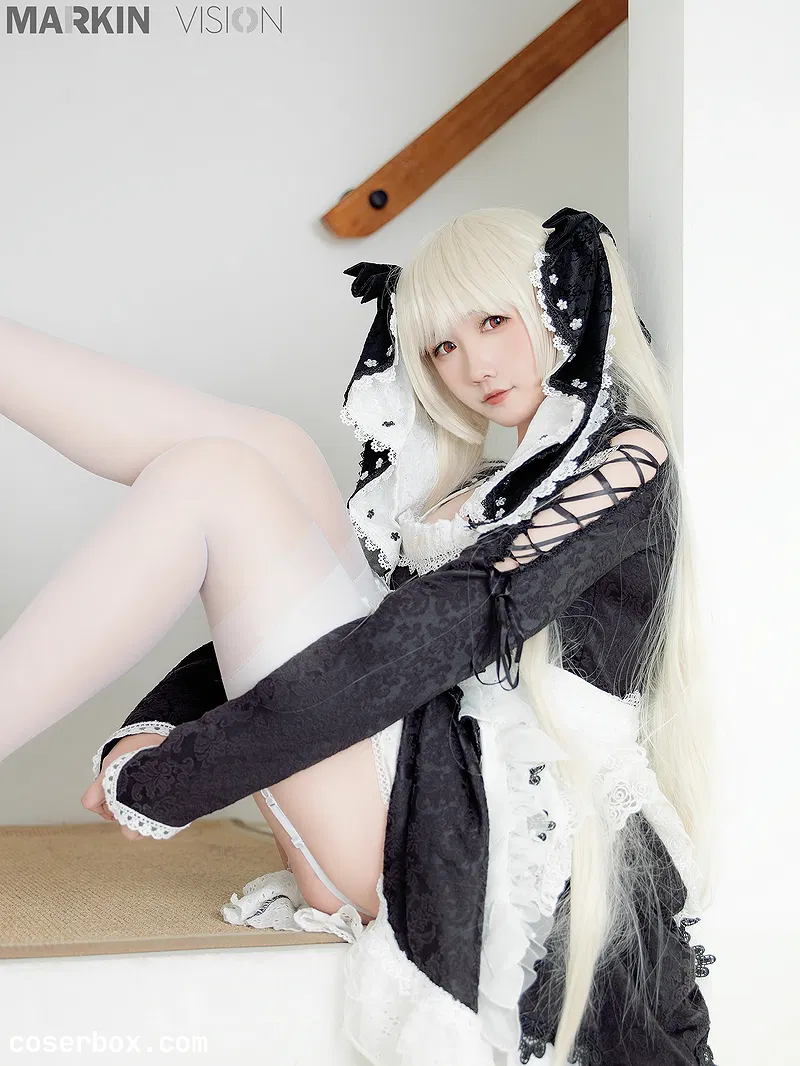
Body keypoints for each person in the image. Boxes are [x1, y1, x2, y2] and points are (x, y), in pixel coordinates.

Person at [0, 207, 717, 1066]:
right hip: (402, 772)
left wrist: (181, 775)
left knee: (218, 478)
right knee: (270, 447)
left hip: (467, 832)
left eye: (493, 321)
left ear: (562, 301)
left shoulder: (625, 460)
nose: (473, 366)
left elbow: (421, 640)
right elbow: (327, 631)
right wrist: (163, 726)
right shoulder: (475, 492)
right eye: (441, 346)